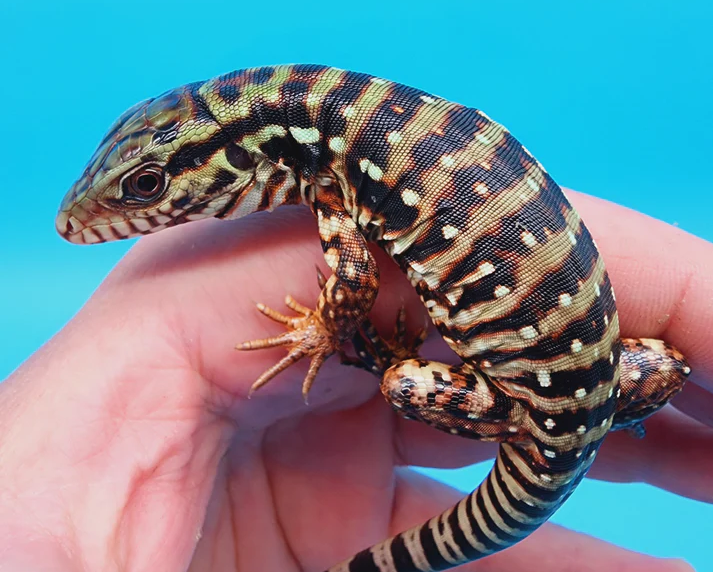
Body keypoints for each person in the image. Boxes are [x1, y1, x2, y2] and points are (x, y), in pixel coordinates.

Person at [0, 191, 708, 572]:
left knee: (403, 384)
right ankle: (595, 414)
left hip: (523, 415)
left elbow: (357, 277)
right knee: (671, 360)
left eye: (146, 191)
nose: (92, 221)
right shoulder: (349, 157)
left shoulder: (335, 186)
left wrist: (326, 334)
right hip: (605, 390)